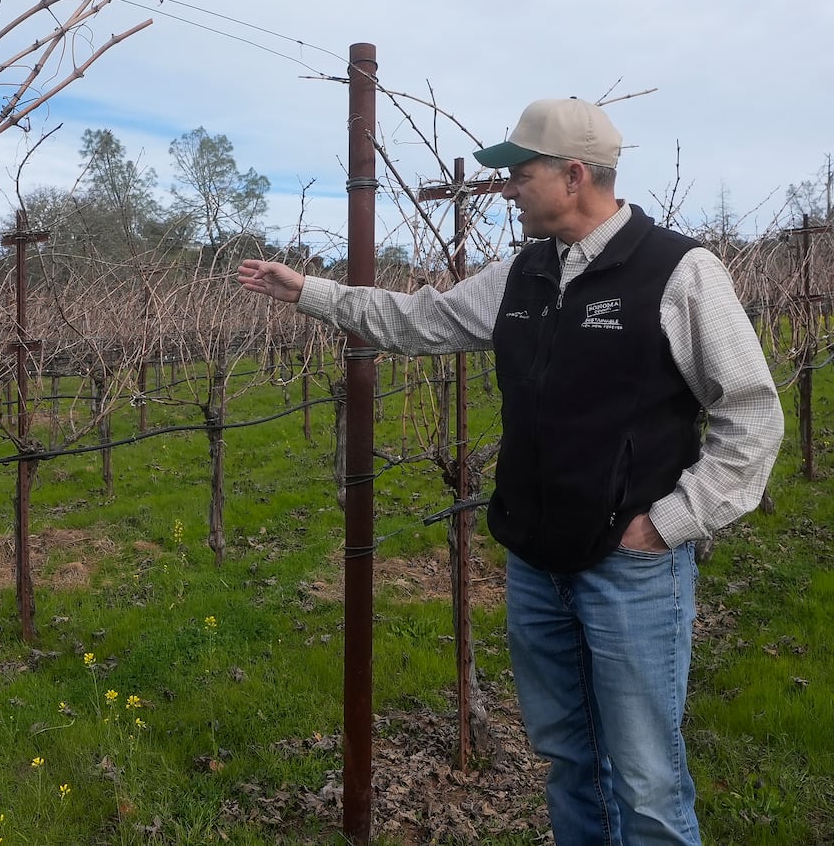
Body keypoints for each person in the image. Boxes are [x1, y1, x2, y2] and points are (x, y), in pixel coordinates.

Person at [238, 97, 783, 846]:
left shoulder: (678, 272)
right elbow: (421, 320)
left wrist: (670, 522)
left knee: (648, 777)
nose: (507, 189)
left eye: (520, 174)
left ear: (575, 176)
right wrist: (309, 292)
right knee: (568, 760)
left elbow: (752, 414)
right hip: (534, 563)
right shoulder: (523, 274)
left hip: (632, 569)